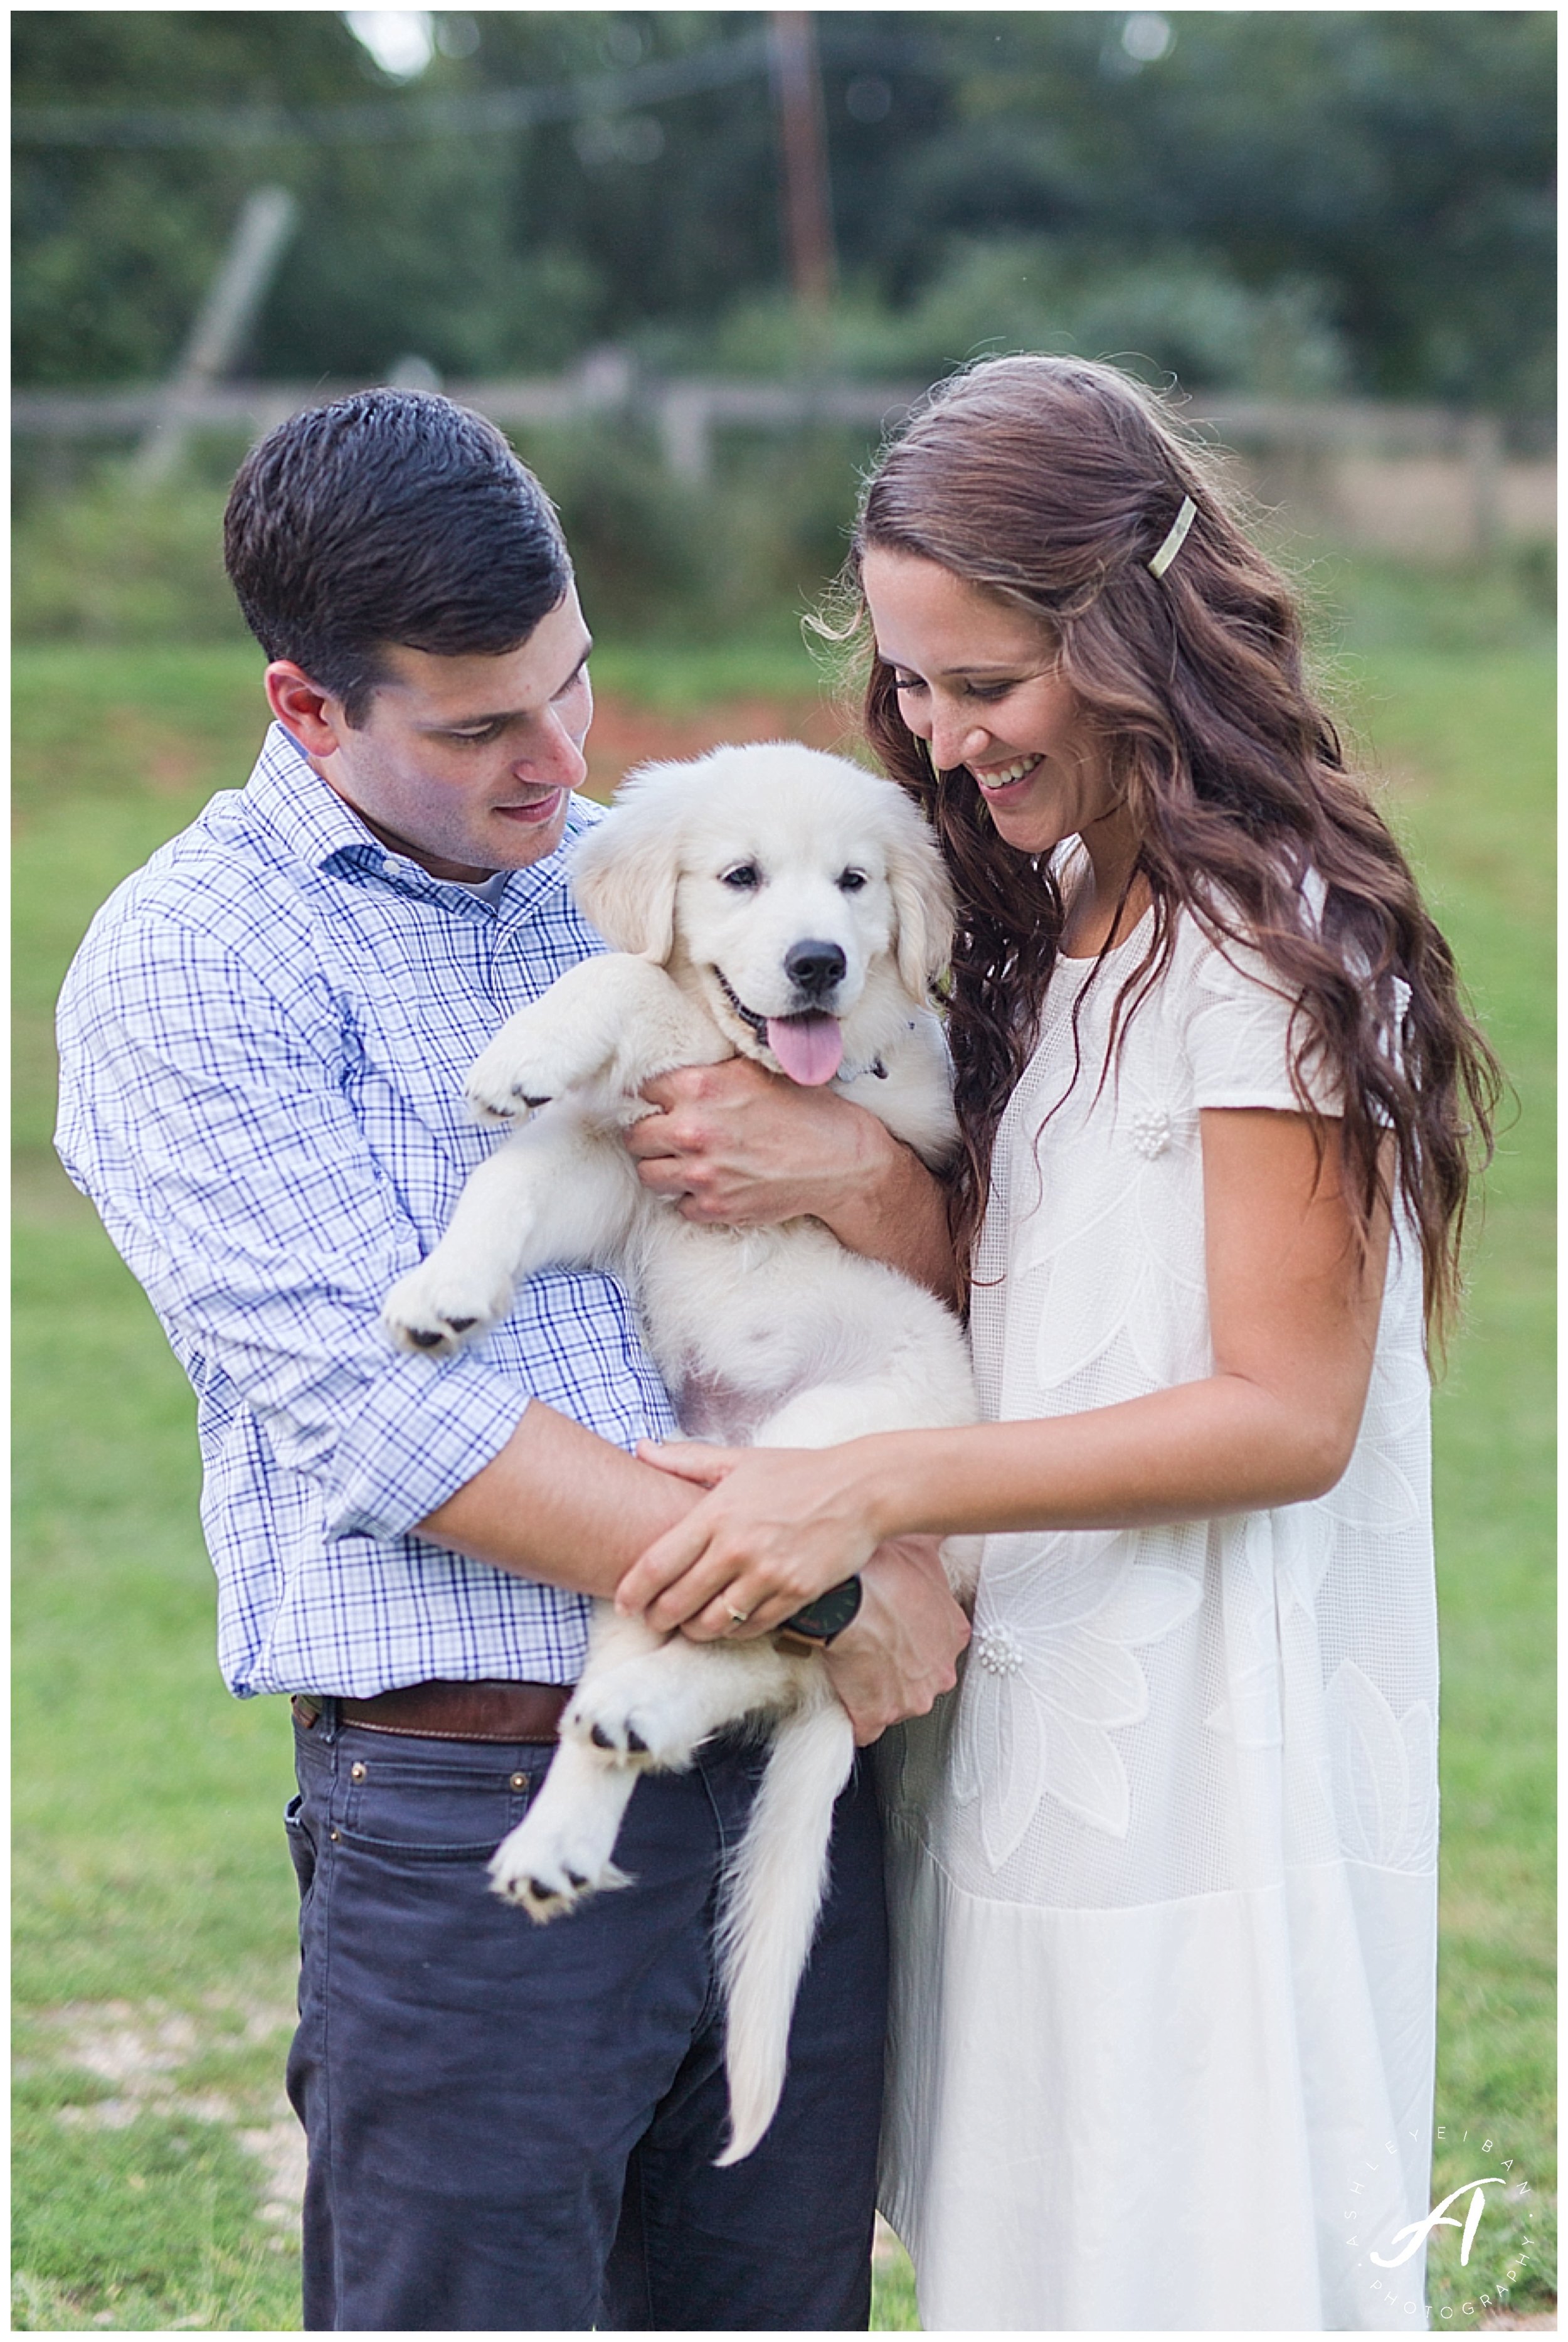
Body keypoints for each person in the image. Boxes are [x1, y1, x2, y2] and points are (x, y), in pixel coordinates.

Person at [53, 387, 970, 2333]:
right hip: (466, 1817)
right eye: (480, 727)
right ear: (309, 709)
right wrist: (821, 1583)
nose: (559, 762)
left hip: (765, 1776)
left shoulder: (644, 871)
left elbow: (928, 1248)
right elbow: (389, 1421)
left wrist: (858, 1190)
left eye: (570, 685)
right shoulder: (195, 964)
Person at [614, 354, 1501, 2329]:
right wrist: (844, 1169)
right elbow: (1050, 1292)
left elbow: (1283, 1412)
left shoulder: (1266, 943)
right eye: (912, 687)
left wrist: (862, 1483)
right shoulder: (1068, 905)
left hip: (1198, 1729)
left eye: (984, 685)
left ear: (1134, 636)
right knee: (1041, 2248)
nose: (936, 744)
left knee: (1185, 2240)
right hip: (1037, 1706)